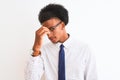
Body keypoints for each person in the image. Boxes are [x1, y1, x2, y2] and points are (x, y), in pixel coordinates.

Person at [25, 3, 97, 80]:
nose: (49, 35)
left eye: (52, 29)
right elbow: (31, 78)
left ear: (62, 25)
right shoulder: (43, 51)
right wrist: (36, 49)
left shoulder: (84, 49)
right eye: (46, 31)